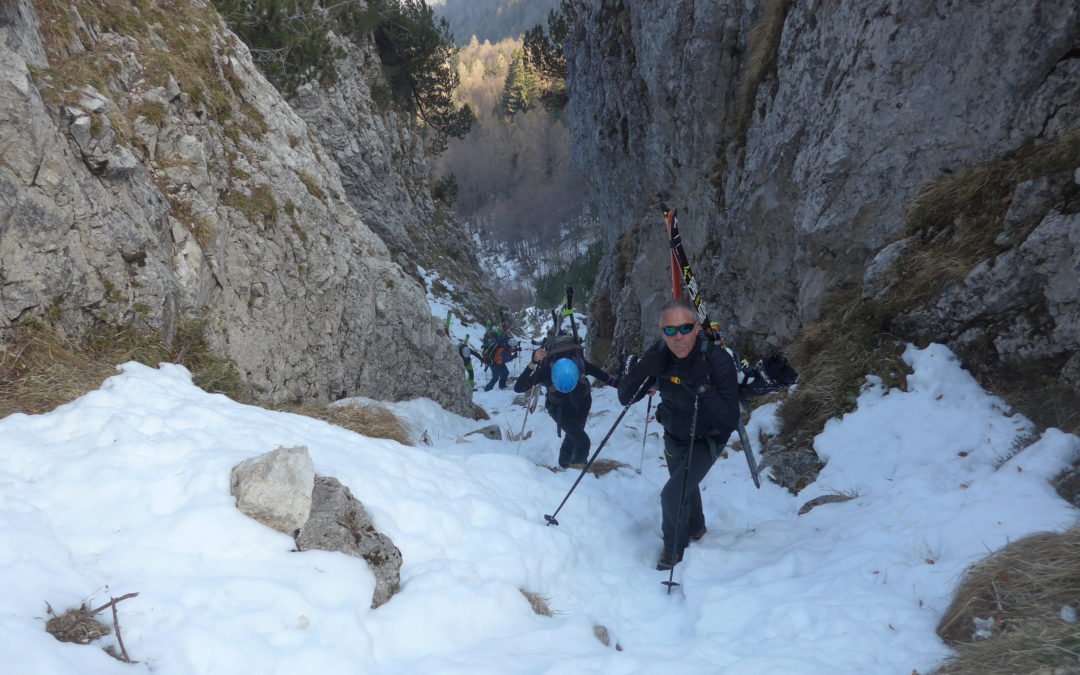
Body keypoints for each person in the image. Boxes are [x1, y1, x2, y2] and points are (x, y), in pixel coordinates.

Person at [618, 299, 740, 571]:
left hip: (708, 438)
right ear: (662, 333)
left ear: (697, 327)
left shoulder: (717, 360)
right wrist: (645, 368)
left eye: (684, 328)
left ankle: (673, 550)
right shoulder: (660, 354)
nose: (678, 337)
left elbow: (730, 419)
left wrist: (703, 389)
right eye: (670, 330)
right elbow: (625, 396)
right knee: (684, 483)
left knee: (672, 495)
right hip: (674, 434)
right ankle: (696, 527)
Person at [515, 338, 619, 468]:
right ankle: (576, 472)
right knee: (583, 442)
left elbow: (607, 378)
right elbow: (518, 387)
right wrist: (533, 362)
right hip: (559, 408)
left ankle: (564, 467)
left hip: (582, 403)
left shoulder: (580, 364)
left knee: (573, 436)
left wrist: (634, 390)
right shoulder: (545, 370)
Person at [483, 326, 518, 391]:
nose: (513, 347)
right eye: (513, 346)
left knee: (505, 373)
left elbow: (508, 350)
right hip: (493, 363)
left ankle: (502, 386)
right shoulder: (503, 348)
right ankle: (487, 389)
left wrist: (515, 350)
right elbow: (506, 359)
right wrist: (514, 356)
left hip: (499, 362)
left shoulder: (505, 345)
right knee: (495, 377)